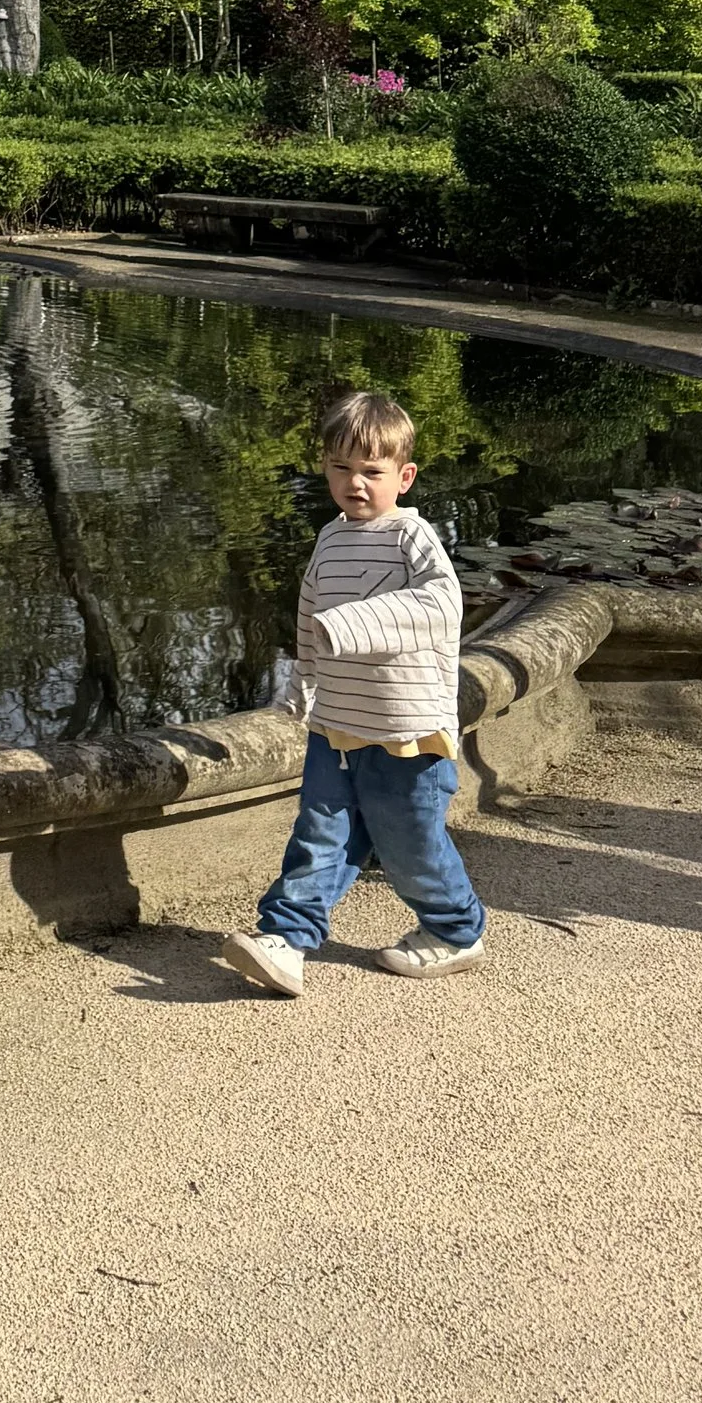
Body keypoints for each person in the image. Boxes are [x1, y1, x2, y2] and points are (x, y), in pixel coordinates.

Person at [220, 387, 485, 994]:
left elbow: (443, 605)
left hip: (405, 730)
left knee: (409, 842)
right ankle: (286, 939)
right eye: (341, 468)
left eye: (372, 471)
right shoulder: (330, 538)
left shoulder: (412, 536)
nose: (355, 483)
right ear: (325, 468)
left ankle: (455, 931)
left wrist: (348, 626)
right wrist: (301, 686)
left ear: (404, 477)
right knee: (319, 833)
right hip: (337, 725)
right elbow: (310, 615)